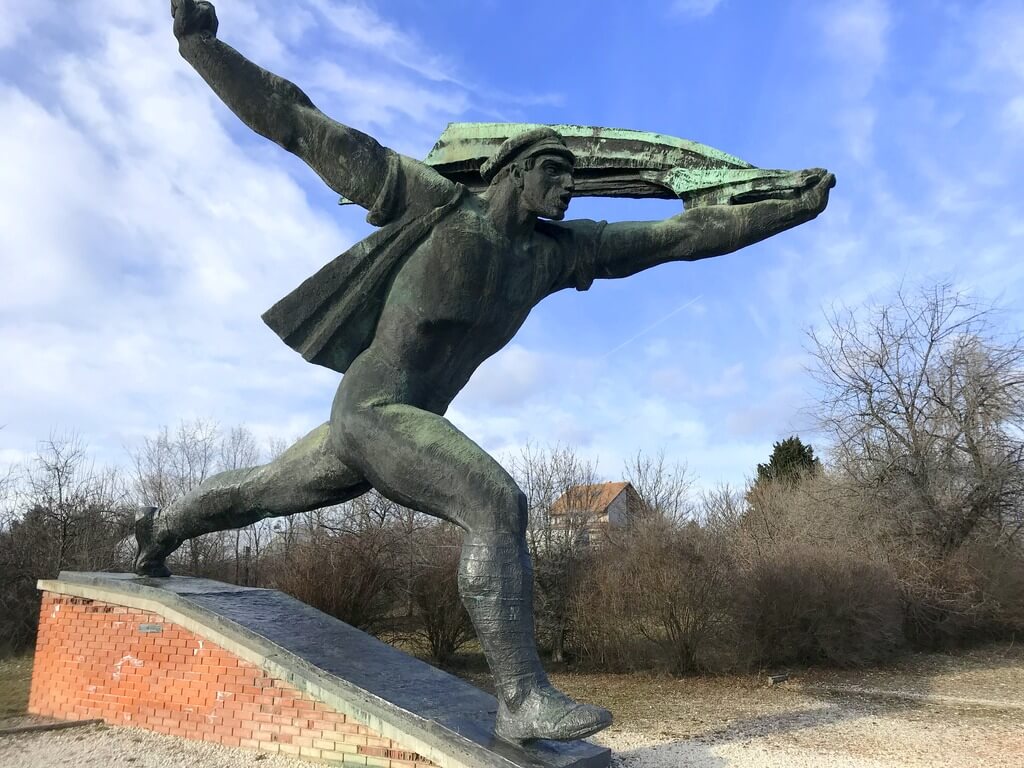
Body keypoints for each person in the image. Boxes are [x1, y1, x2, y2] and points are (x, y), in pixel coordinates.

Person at [141, 0, 836, 743]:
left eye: (571, 177)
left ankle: (158, 529)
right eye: (551, 172)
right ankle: (520, 699)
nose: (566, 188)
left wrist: (783, 209)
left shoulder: (553, 255)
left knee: (253, 494)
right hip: (373, 411)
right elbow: (298, 121)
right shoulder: (431, 204)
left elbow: (682, 235)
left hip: (399, 424)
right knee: (496, 504)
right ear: (511, 170)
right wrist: (201, 46)